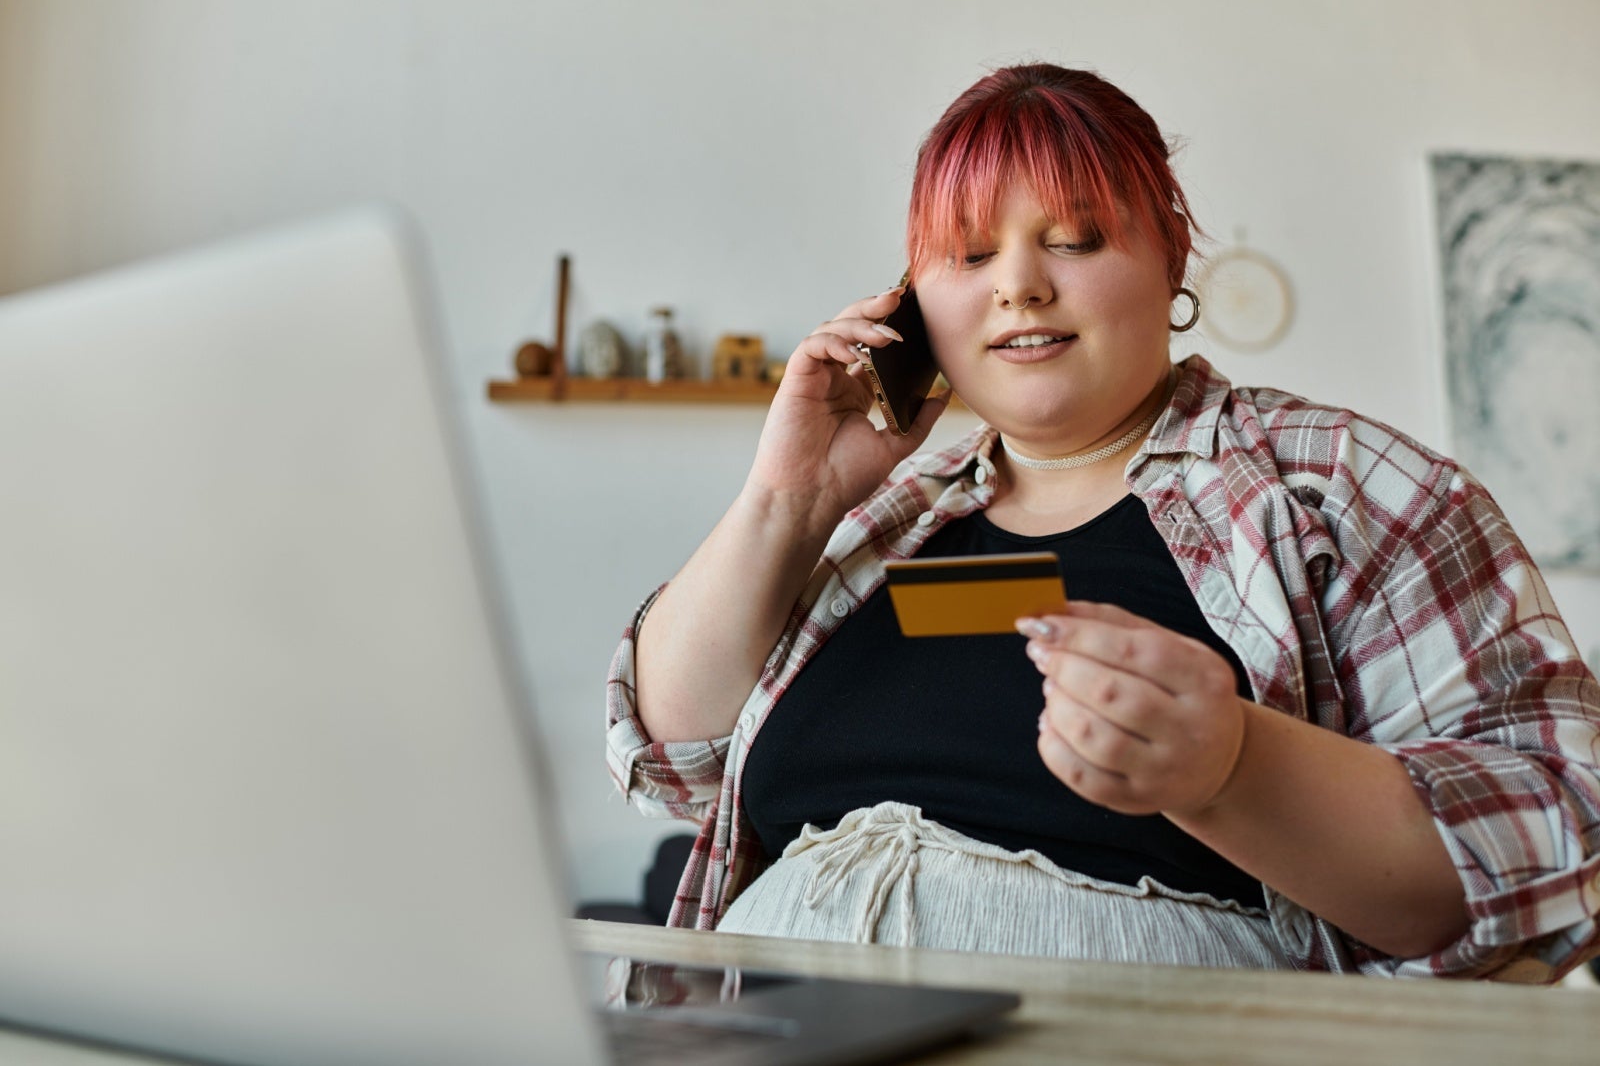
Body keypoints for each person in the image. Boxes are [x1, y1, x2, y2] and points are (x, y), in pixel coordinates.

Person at [604, 63, 1600, 980]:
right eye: (969, 253)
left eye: (1075, 239)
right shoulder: (874, 519)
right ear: (911, 305)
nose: (1018, 284)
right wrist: (790, 497)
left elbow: (1557, 839)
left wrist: (1234, 767)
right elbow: (667, 757)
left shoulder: (1345, 482)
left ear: (1172, 261)